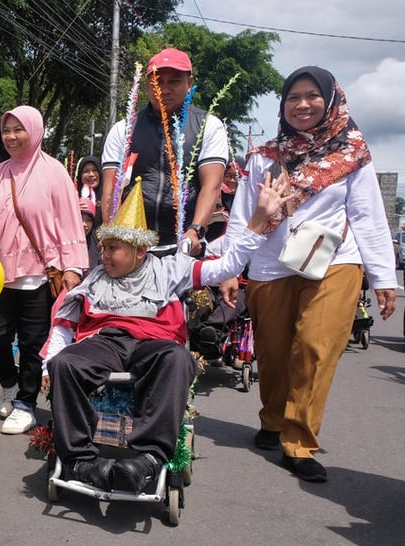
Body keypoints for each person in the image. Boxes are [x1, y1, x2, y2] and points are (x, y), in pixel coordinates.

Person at [43, 175, 290, 493]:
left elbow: (226, 267)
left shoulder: (172, 268)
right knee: (65, 364)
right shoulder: (95, 278)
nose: (103, 255)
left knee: (178, 359)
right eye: (102, 247)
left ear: (140, 249)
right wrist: (50, 362)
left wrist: (258, 220)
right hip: (105, 341)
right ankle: (80, 461)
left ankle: (147, 458)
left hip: (155, 343)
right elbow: (64, 325)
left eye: (113, 248)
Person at [225, 66, 396, 482]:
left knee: (316, 347)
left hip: (335, 261)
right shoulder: (263, 156)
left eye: (312, 96)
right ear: (282, 106)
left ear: (331, 100)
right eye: (293, 98)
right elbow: (241, 217)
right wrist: (230, 269)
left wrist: (383, 276)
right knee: (274, 350)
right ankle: (273, 419)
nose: (302, 105)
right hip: (270, 265)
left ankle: (299, 442)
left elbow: (369, 217)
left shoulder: (352, 155)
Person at [0, 105, 89, 435]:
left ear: (35, 131)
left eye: (18, 129)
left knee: (32, 343)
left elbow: (69, 222)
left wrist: (72, 267)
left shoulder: (54, 173)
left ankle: (25, 404)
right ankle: (9, 383)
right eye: (6, 131)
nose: (11, 137)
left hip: (41, 274)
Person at [101, 47, 229, 255]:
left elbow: (211, 186)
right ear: (147, 86)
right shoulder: (124, 129)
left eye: (175, 81)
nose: (165, 89)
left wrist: (195, 230)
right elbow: (110, 186)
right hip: (132, 245)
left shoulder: (209, 126)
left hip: (184, 245)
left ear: (189, 83)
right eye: (158, 82)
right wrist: (109, 233)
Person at [79, 197, 101, 270]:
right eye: (80, 219)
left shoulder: (98, 242)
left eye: (89, 220)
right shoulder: (65, 241)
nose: (84, 224)